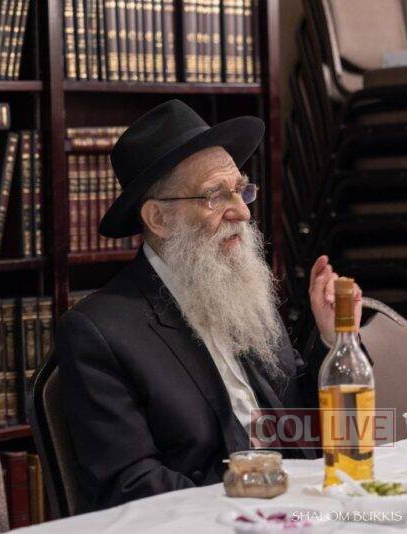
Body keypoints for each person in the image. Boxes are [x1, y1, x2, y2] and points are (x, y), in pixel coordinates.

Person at [55, 100, 361, 511]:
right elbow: (130, 484)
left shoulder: (243, 294)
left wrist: (334, 340)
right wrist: (252, 501)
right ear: (159, 219)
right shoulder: (100, 331)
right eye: (216, 196)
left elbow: (307, 427)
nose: (242, 211)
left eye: (241, 190)